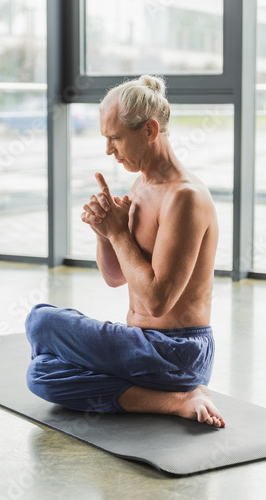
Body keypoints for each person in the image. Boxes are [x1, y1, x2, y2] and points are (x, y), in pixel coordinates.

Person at [26, 75, 225, 428]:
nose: (108, 150)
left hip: (176, 351)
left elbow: (157, 302)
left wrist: (118, 233)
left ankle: (180, 394)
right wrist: (104, 232)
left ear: (150, 130)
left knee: (41, 321)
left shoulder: (185, 198)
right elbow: (115, 277)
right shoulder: (141, 184)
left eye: (115, 137)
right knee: (40, 374)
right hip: (142, 345)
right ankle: (176, 400)